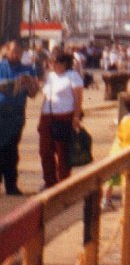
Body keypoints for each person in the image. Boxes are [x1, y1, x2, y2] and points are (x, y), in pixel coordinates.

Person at [38, 52, 84, 188]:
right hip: (47, 116)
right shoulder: (50, 76)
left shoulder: (73, 76)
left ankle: (64, 183)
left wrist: (76, 116)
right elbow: (46, 96)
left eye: (55, 62)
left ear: (64, 64)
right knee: (45, 150)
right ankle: (49, 181)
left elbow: (78, 98)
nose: (52, 64)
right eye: (51, 62)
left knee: (62, 151)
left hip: (64, 116)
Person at [0, 41, 39, 195]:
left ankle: (11, 185)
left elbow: (33, 94)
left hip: (15, 117)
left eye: (18, 52)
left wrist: (30, 84)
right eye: (13, 51)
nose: (15, 54)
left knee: (11, 150)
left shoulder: (27, 70)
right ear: (6, 51)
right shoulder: (1, 67)